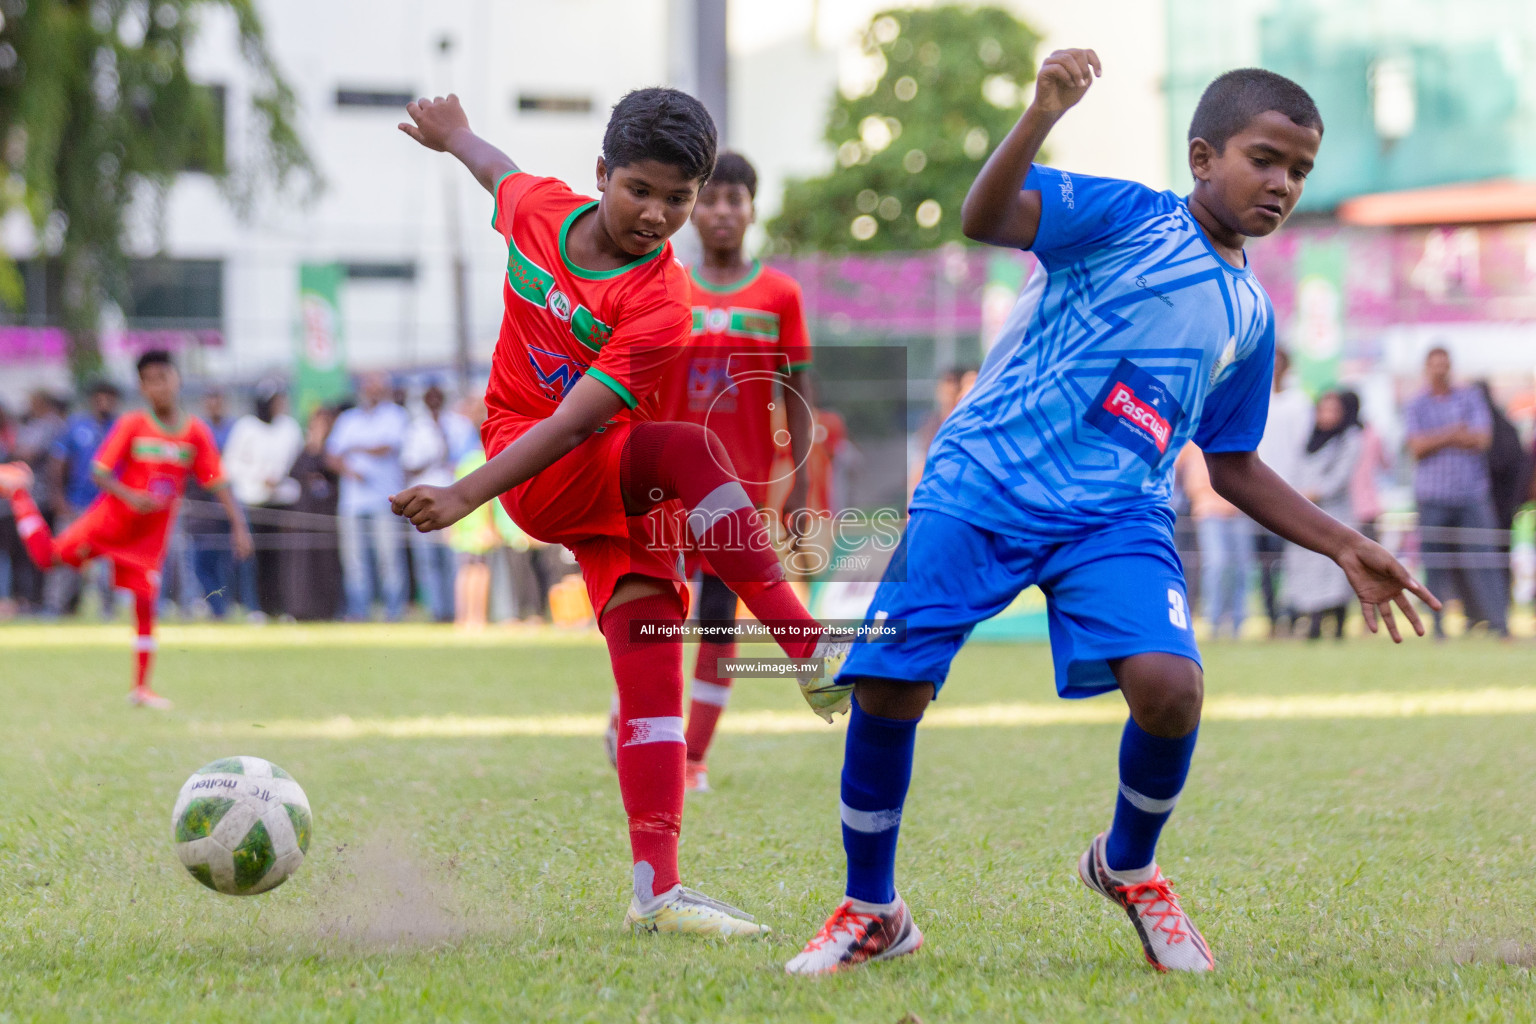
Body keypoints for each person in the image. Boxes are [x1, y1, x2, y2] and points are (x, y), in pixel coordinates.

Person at [784, 58, 1440, 977]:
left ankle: (1127, 864)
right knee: (892, 687)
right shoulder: (1128, 214)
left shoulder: (1250, 317)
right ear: (1203, 156)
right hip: (980, 484)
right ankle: (872, 907)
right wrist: (1041, 113)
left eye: (1300, 170)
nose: (1284, 185)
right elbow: (984, 219)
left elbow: (1237, 463)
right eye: (1265, 159)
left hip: (1117, 517)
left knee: (1172, 689)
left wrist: (1344, 544)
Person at [391, 89, 839, 936]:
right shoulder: (541, 212)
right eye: (641, 190)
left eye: (680, 198)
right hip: (538, 464)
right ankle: (811, 651)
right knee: (688, 451)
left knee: (649, 656)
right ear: (601, 175)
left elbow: (586, 422)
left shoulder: (660, 300)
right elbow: (500, 174)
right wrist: (454, 136)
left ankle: (656, 893)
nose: (658, 214)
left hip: (601, 479)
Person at [646, 150, 815, 794]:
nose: (721, 211)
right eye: (708, 199)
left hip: (736, 490)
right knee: (651, 610)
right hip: (661, 485)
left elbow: (798, 392)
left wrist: (792, 481)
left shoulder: (781, 295)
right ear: (691, 208)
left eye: (733, 199)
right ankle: (633, 720)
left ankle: (692, 756)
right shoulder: (666, 284)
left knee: (718, 618)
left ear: (752, 208)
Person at [0, 351, 253, 706]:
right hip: (110, 523)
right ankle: (18, 490)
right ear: (142, 387)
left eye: (163, 377)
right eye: (149, 380)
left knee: (146, 603)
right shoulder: (133, 424)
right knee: (47, 558)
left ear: (176, 379)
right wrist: (131, 496)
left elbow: (218, 480)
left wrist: (239, 526)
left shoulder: (195, 432)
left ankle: (141, 688)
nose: (158, 386)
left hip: (148, 538)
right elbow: (100, 471)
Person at [1404, 348, 1507, 638]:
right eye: (1434, 365)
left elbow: (1482, 438)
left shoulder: (1469, 397)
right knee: (1434, 565)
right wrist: (1453, 433)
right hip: (1431, 494)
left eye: (1444, 364)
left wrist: (1435, 438)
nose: (1440, 370)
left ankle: (1499, 623)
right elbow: (1416, 448)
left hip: (1471, 492)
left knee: (1484, 559)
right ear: (1426, 368)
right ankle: (1435, 629)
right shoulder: (1416, 403)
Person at [326, 372, 409, 621]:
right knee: (354, 560)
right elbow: (332, 456)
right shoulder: (348, 419)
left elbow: (387, 447)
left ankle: (393, 610)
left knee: (389, 557)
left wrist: (354, 447)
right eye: (368, 386)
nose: (372, 391)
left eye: (377, 386)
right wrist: (349, 470)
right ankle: (359, 610)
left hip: (385, 499)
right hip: (352, 501)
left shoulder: (394, 415)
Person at [1282, 391, 1362, 639]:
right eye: (1322, 410)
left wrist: (1311, 494)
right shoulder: (1307, 440)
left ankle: (1336, 624)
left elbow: (1339, 478)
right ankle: (1309, 622)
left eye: (1333, 410)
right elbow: (1292, 471)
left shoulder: (1349, 439)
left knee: (1334, 572)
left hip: (1334, 514)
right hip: (1304, 516)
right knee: (1305, 571)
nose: (1326, 416)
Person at [223, 381, 304, 620]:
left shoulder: (289, 428)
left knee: (281, 559)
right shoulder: (246, 427)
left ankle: (282, 608)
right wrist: (258, 477)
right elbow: (231, 463)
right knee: (252, 558)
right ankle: (255, 607)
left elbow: (296, 461)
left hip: (282, 500)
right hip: (252, 500)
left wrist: (278, 478)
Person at [401, 383, 477, 622]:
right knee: (428, 560)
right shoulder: (416, 428)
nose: (433, 400)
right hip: (425, 498)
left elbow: (472, 457)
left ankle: (457, 611)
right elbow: (408, 466)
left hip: (455, 497)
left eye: (437, 396)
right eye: (429, 396)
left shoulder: (458, 424)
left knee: (454, 558)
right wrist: (434, 457)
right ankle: (437, 611)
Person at [45, 381, 121, 618]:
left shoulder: (120, 427)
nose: (104, 402)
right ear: (92, 399)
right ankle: (55, 608)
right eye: (100, 396)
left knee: (108, 561)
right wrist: (58, 497)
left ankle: (107, 611)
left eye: (109, 397)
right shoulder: (76, 426)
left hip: (110, 506)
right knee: (66, 556)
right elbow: (58, 463)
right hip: (76, 503)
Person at [1253, 349, 1311, 635]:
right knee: (1264, 563)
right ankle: (1272, 616)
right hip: (1254, 491)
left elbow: (1304, 448)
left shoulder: (1298, 402)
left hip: (1289, 491)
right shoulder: (1252, 397)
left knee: (1291, 560)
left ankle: (1293, 612)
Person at [1174, 443, 1253, 638]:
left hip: (1240, 506)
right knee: (1217, 563)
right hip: (1207, 508)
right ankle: (1214, 622)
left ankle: (1237, 624)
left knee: (1242, 567)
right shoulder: (1192, 437)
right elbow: (1173, 465)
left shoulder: (1234, 430)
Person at [281, 406, 344, 621]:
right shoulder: (305, 450)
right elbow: (295, 472)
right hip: (305, 515)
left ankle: (326, 611)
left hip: (327, 517)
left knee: (327, 565)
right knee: (302, 566)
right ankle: (301, 609)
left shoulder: (335, 450)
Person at [1344, 391, 1389, 541]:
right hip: (1370, 504)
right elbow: (1386, 464)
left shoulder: (1345, 436)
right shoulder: (1371, 433)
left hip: (1349, 506)